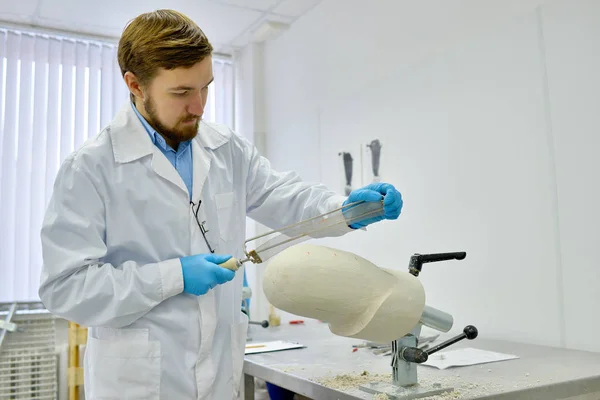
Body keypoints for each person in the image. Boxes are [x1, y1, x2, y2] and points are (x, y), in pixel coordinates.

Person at [38, 9, 403, 400]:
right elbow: (66, 287)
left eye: (206, 87)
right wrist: (173, 276)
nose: (198, 107)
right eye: (181, 92)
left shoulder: (226, 148)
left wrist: (343, 209)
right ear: (135, 85)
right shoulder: (91, 167)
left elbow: (282, 197)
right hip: (138, 384)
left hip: (218, 379)